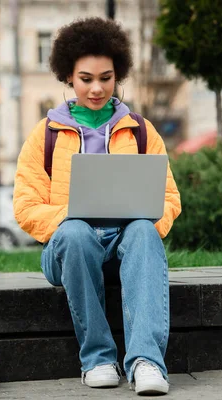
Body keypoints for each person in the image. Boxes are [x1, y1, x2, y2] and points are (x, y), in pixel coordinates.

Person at [13, 17, 181, 396]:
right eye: (86, 78)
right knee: (74, 233)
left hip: (125, 246)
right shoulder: (45, 135)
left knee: (141, 230)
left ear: (117, 75)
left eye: (106, 77)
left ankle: (146, 362)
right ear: (68, 77)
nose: (96, 88)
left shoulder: (140, 131)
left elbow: (169, 198)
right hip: (67, 248)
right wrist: (72, 215)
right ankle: (98, 359)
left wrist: (148, 226)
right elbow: (25, 206)